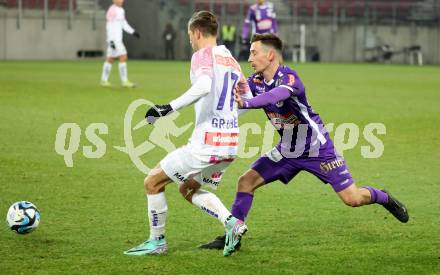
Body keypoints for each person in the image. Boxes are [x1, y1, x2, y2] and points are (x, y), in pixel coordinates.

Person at [199, 33, 409, 251]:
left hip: (318, 149)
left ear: (270, 55)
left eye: (254, 53)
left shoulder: (290, 78)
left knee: (353, 199)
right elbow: (234, 96)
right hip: (287, 150)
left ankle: (384, 197)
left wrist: (245, 102)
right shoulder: (256, 82)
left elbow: (274, 97)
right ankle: (231, 236)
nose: (249, 58)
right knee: (246, 181)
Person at [124, 11, 252, 257]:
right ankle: (232, 223)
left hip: (205, 145)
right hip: (230, 145)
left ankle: (157, 242)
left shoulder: (202, 55)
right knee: (187, 190)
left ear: (197, 32)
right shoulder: (232, 61)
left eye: (190, 36)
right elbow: (247, 100)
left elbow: (204, 86)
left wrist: (167, 108)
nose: (190, 41)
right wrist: (228, 118)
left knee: (152, 182)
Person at [100, 0, 140, 88]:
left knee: (110, 59)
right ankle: (124, 81)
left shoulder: (121, 10)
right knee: (123, 56)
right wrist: (110, 40)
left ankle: (104, 80)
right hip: (114, 40)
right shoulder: (112, 10)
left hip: (117, 40)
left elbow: (124, 24)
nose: (121, 1)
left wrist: (133, 32)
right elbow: (109, 26)